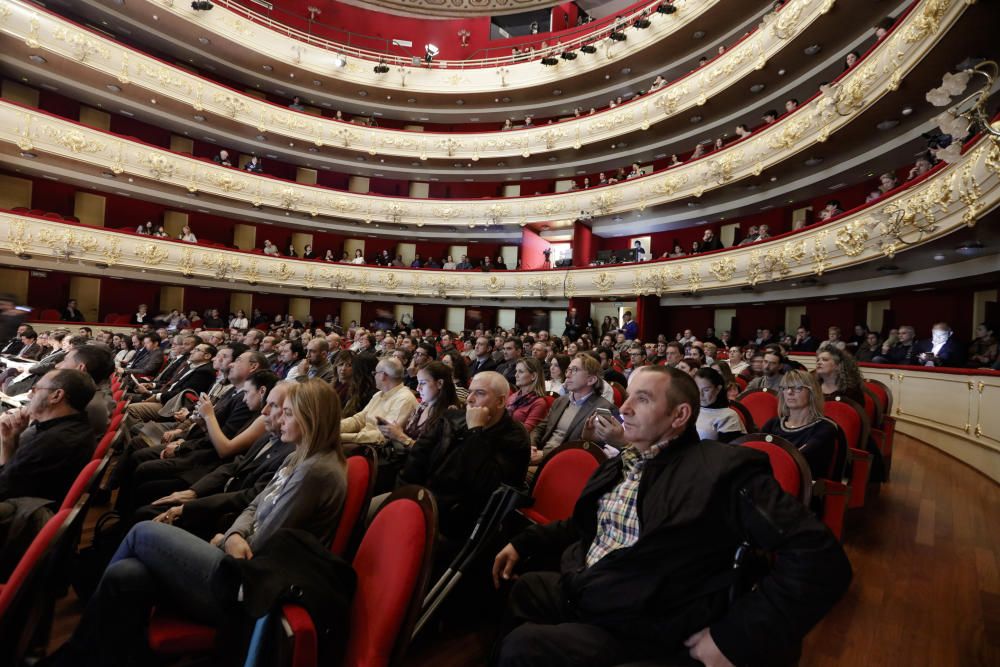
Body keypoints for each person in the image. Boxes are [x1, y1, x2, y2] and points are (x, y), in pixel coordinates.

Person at [492, 366, 852, 667]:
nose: (624, 408)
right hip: (591, 586)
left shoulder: (723, 471)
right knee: (523, 588)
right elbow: (587, 525)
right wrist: (524, 542)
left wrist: (734, 637)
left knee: (523, 646)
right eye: (628, 396)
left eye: (642, 399)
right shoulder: (625, 461)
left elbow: (819, 558)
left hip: (646, 618)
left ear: (679, 416)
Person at [50, 379, 348, 667]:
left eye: (287, 413)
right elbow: (255, 505)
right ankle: (98, 655)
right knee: (127, 574)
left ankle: (76, 649)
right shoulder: (299, 456)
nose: (278, 419)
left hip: (251, 585)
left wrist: (228, 539)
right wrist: (234, 534)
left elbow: (267, 539)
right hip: (239, 556)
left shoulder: (315, 472)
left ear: (311, 418)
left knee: (142, 532)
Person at [393, 371, 530, 540]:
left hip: (456, 521)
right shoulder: (451, 418)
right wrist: (403, 497)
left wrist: (475, 432)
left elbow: (486, 487)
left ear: (501, 401)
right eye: (470, 391)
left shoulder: (515, 438)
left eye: (480, 393)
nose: (469, 399)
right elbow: (416, 459)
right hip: (419, 499)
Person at [529, 354, 617, 464]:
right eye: (568, 370)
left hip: (562, 463)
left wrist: (544, 455)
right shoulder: (560, 401)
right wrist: (532, 446)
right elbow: (540, 428)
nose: (568, 375)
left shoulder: (603, 408)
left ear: (591, 380)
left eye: (574, 370)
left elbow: (584, 447)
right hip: (538, 455)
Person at [762, 370, 843, 480]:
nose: (790, 392)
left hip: (804, 487)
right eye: (785, 388)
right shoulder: (773, 424)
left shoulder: (825, 428)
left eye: (798, 387)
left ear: (812, 392)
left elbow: (798, 459)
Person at [340, 358, 417, 446]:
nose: (374, 376)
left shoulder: (404, 399)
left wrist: (342, 437)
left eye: (375, 373)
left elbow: (383, 436)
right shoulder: (379, 394)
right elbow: (359, 419)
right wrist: (334, 428)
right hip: (361, 440)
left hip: (373, 447)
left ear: (383, 375)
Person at [694, 367, 746, 442]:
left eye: (706, 390)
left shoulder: (728, 416)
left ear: (718, 389)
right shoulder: (692, 409)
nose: (700, 394)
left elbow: (727, 450)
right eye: (697, 388)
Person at [506, 357, 550, 433]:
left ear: (533, 376)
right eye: (516, 371)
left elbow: (525, 432)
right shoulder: (514, 396)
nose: (516, 375)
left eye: (521, 372)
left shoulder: (539, 403)